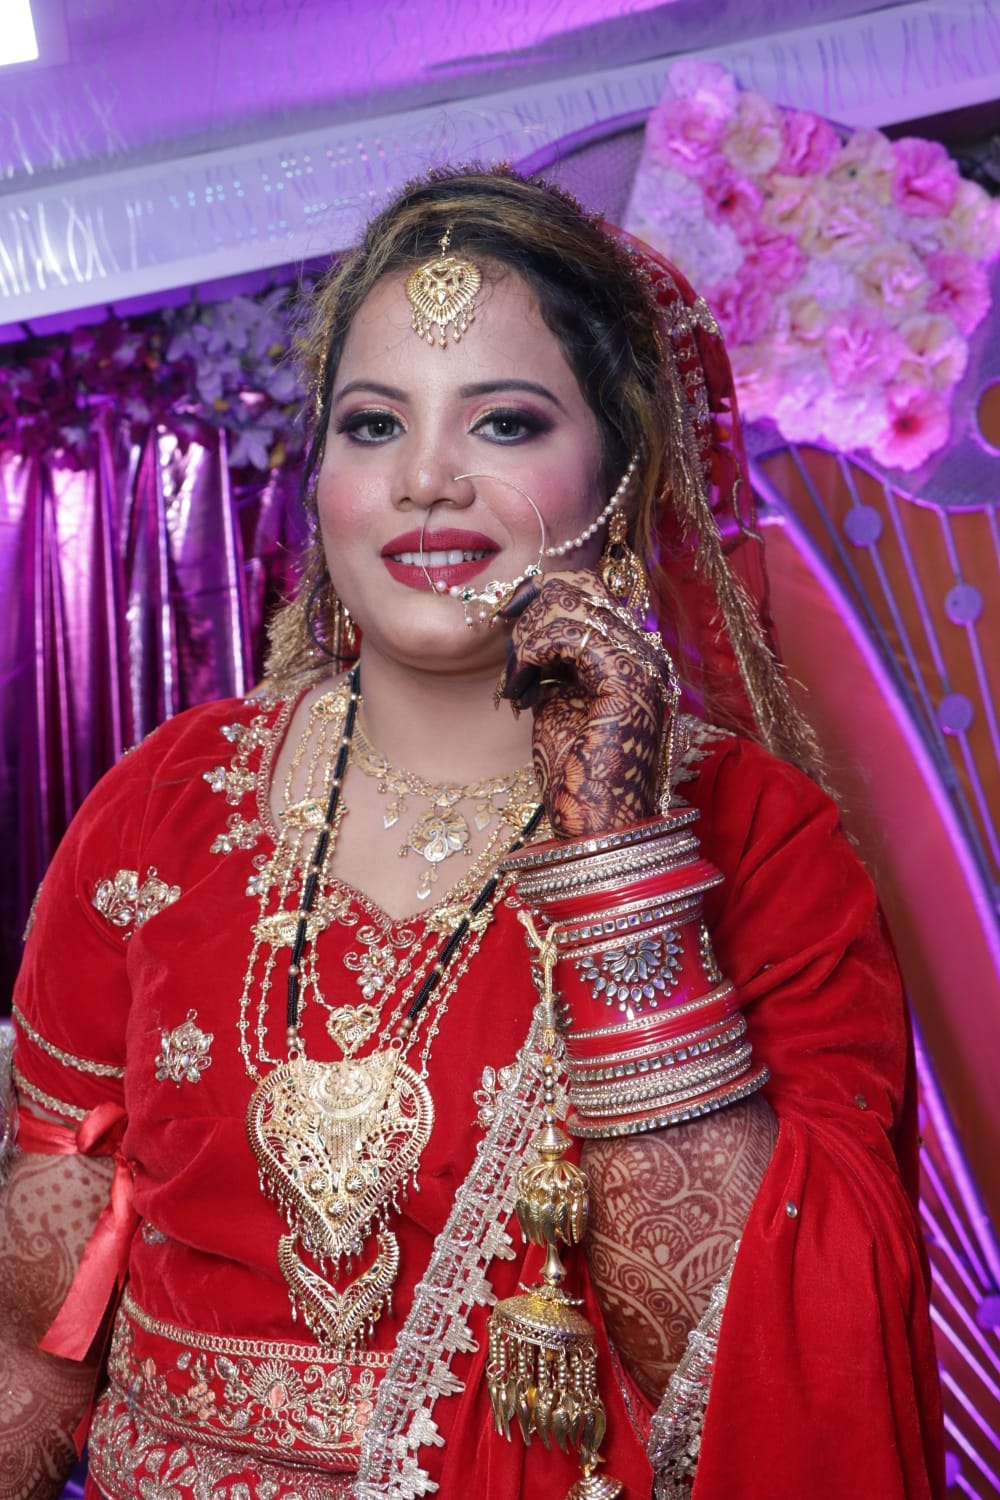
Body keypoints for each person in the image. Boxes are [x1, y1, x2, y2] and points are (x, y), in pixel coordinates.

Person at [1, 166, 943, 1500]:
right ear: (320, 476)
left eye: (503, 422)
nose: (426, 479)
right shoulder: (161, 805)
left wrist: (616, 854)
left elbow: (742, 1367)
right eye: (372, 425)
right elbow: (35, 1334)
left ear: (620, 477)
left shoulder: (759, 839)